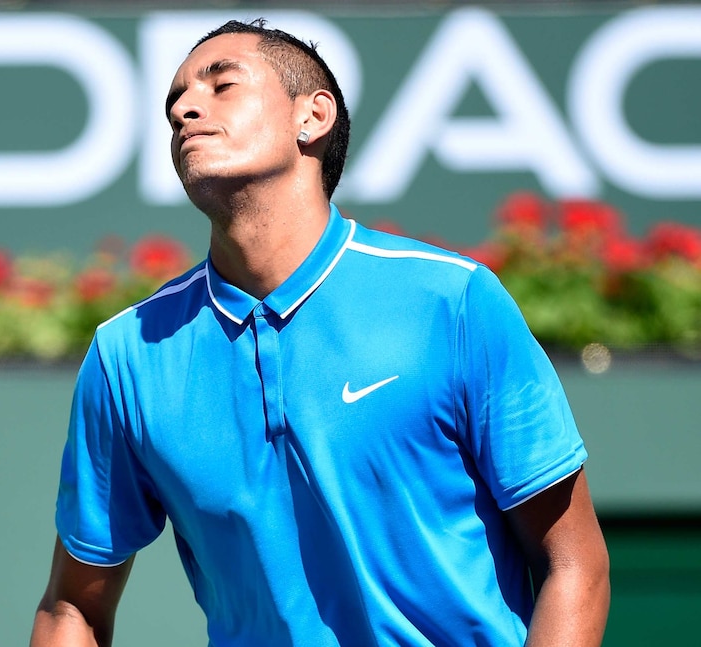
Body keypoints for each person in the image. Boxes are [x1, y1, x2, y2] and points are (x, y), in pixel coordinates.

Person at [30, 18, 610, 647]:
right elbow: (72, 607)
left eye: (222, 85)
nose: (185, 108)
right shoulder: (126, 356)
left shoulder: (453, 301)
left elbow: (575, 565)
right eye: (175, 101)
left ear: (313, 116)